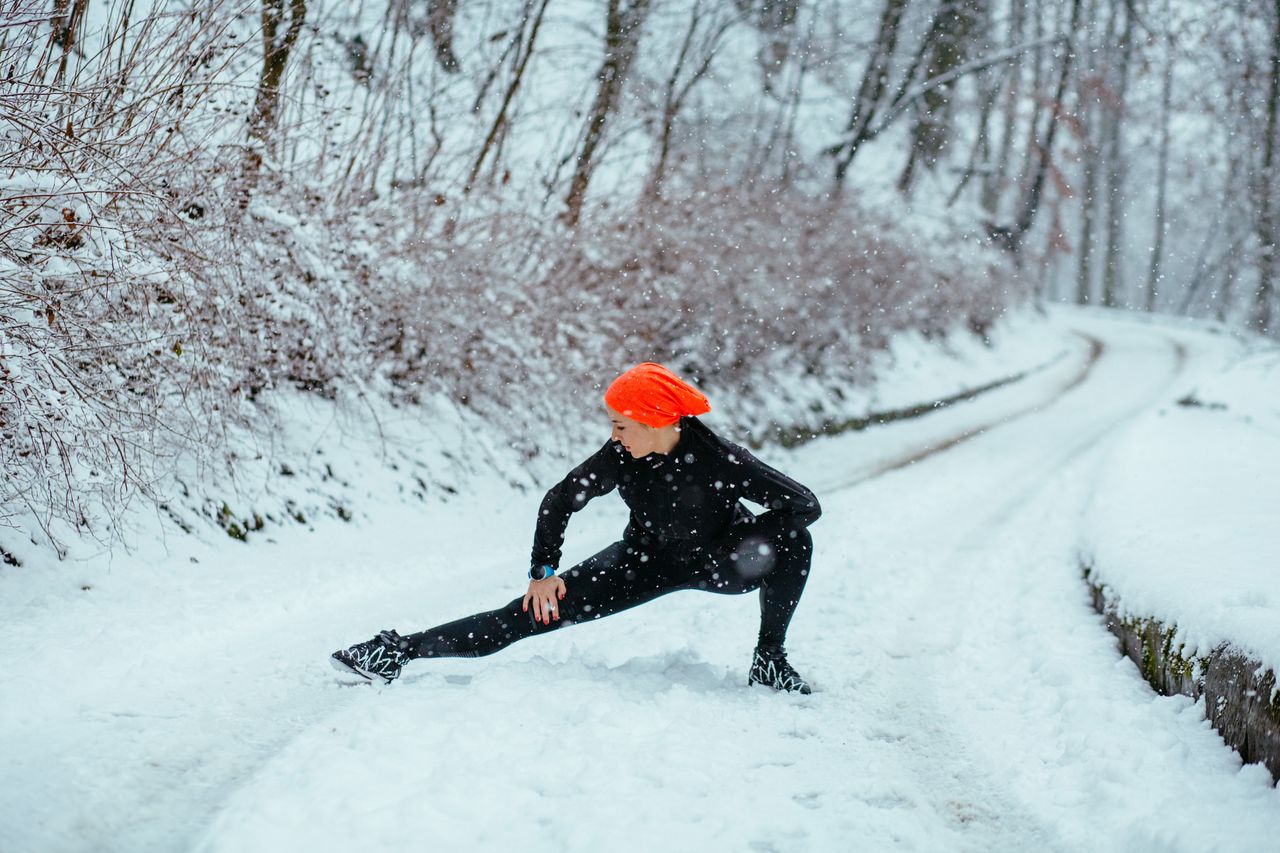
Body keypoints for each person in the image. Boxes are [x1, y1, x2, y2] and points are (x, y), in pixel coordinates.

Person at [331, 362, 822, 693]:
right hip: (641, 563)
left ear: (654, 421)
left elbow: (803, 505)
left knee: (796, 539)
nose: (614, 435)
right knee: (523, 615)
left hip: (721, 562)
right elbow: (559, 501)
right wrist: (543, 571)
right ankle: (398, 653)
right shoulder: (620, 457)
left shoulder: (724, 461)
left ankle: (769, 658)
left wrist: (745, 538)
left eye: (621, 425)